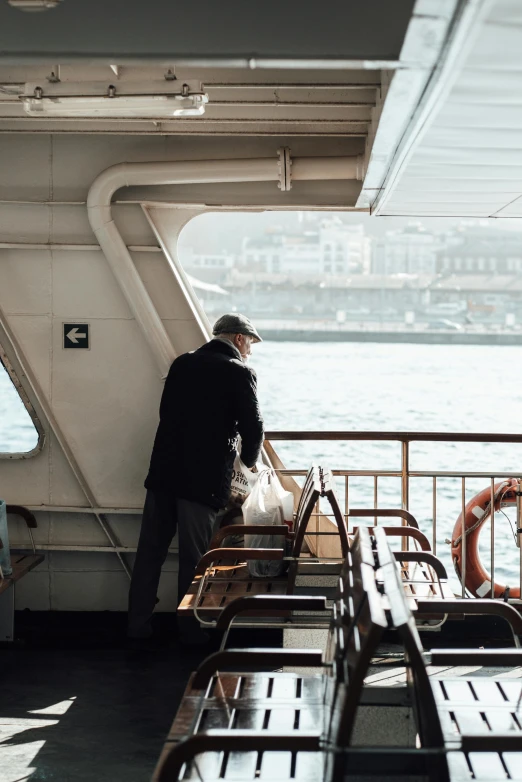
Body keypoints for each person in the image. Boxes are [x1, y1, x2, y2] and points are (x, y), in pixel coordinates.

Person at [128, 313, 264, 644]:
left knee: (150, 554)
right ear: (238, 339)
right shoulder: (240, 372)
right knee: (194, 559)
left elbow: (166, 414)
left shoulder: (182, 363)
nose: (250, 352)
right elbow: (254, 428)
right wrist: (244, 466)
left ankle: (136, 630)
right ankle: (188, 634)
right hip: (202, 482)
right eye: (250, 345)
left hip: (163, 473)